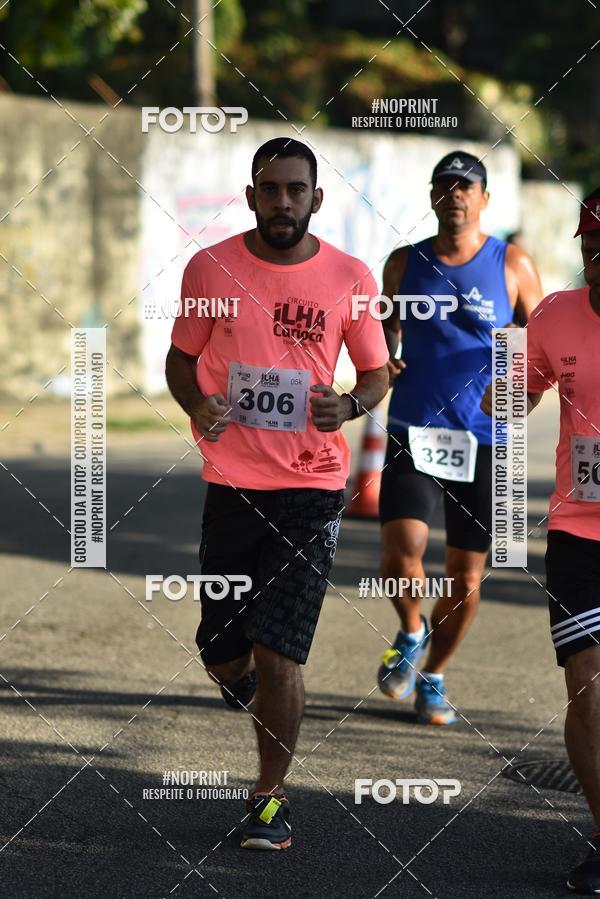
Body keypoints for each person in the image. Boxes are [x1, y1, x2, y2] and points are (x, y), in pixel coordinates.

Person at [165, 137, 389, 850]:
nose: (283, 202)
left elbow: (377, 372)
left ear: (315, 198)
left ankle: (269, 799)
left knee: (279, 650)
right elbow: (180, 359)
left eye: (296, 190)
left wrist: (348, 406)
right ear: (251, 196)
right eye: (271, 189)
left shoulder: (350, 276)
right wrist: (196, 403)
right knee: (222, 650)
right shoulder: (211, 268)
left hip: (312, 487)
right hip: (232, 484)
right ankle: (242, 684)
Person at [376, 150, 543, 724]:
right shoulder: (404, 263)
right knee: (401, 550)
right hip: (414, 428)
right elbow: (385, 328)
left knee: (466, 574)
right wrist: (386, 359)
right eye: (445, 186)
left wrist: (518, 374)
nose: (455, 196)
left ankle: (436, 674)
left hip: (486, 439)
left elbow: (539, 342)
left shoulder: (513, 264)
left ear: (484, 199)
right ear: (432, 197)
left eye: (466, 187)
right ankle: (411, 629)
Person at [482, 188, 600, 894]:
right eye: (595, 246)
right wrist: (505, 397)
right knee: (586, 682)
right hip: (578, 530)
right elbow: (523, 387)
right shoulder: (555, 314)